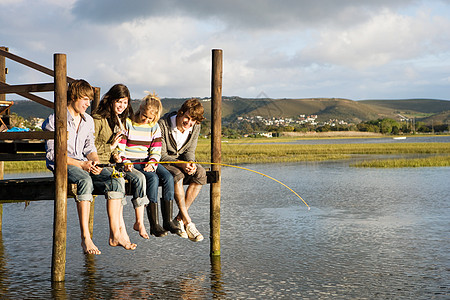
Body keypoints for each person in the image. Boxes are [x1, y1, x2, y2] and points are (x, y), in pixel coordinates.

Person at [42, 79, 136, 255]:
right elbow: (53, 155)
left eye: (89, 100)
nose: (88, 104)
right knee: (84, 179)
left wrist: (94, 162)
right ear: (74, 97)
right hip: (64, 165)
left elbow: (90, 148)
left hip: (84, 164)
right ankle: (86, 237)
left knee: (115, 178)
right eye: (85, 99)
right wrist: (81, 164)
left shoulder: (88, 121)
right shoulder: (56, 119)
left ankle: (115, 233)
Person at [117, 92, 180, 238]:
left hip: (147, 160)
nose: (146, 120)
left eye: (150, 118)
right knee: (153, 179)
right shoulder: (128, 123)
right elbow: (120, 148)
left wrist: (153, 162)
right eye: (144, 116)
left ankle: (168, 220)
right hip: (132, 161)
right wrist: (125, 161)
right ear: (140, 108)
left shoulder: (154, 127)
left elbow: (156, 149)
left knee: (168, 177)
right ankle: (154, 223)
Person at [91, 83, 150, 240]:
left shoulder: (119, 119)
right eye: (119, 101)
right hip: (100, 164)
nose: (122, 106)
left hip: (114, 163)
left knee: (140, 178)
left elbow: (116, 146)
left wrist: (118, 156)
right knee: (117, 180)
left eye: (125, 102)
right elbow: (90, 146)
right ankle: (117, 231)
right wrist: (111, 148)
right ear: (110, 100)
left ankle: (139, 222)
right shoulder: (97, 119)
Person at [158, 98, 206, 242]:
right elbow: (161, 155)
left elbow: (190, 151)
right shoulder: (163, 124)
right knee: (178, 174)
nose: (189, 123)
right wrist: (181, 164)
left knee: (201, 173)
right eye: (187, 118)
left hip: (182, 162)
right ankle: (188, 222)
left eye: (193, 121)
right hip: (165, 162)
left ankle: (179, 218)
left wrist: (190, 163)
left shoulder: (195, 127)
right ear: (180, 113)